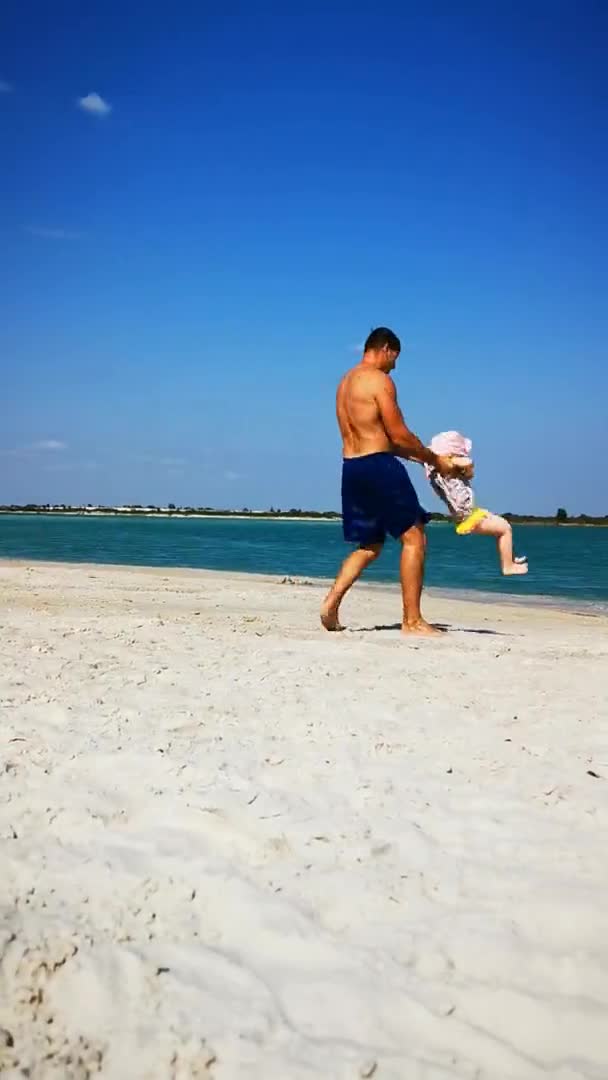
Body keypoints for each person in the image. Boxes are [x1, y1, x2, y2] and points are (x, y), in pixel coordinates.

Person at [321, 327, 464, 636]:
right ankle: (412, 620)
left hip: (352, 467)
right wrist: (436, 459)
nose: (394, 366)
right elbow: (397, 435)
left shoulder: (344, 384)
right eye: (394, 359)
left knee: (369, 545)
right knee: (414, 537)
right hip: (378, 466)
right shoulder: (379, 380)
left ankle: (330, 603)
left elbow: (384, 440)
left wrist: (424, 458)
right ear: (385, 348)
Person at [425, 431, 528, 576]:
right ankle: (508, 566)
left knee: (501, 524)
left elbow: (468, 473)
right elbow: (468, 463)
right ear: (451, 453)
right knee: (505, 529)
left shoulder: (438, 471)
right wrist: (461, 461)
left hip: (469, 513)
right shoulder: (447, 467)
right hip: (468, 516)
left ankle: (509, 557)